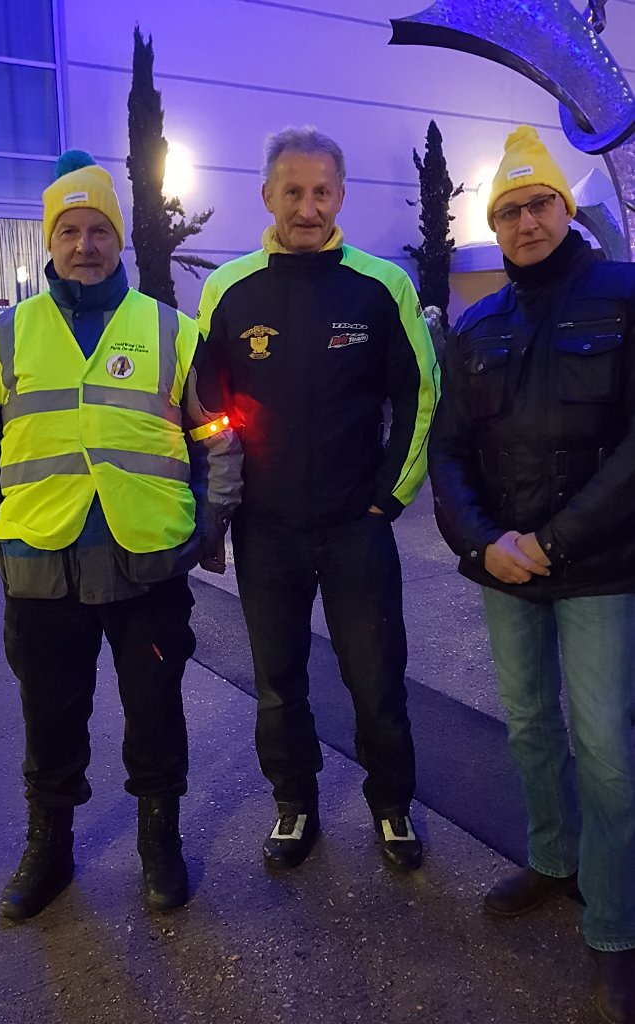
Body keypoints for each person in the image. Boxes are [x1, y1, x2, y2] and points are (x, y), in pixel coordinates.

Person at [0, 150, 242, 920]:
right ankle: (49, 849)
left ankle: (159, 841)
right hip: (39, 566)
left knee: (155, 710)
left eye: (99, 230)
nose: (85, 245)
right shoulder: (1, 338)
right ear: (50, 241)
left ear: (119, 239)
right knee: (50, 716)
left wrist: (206, 524)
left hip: (147, 564)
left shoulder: (172, 332)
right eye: (70, 231)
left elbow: (218, 436)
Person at [428, 125, 635, 1023]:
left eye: (538, 203)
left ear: (565, 207)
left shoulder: (624, 295)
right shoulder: (478, 326)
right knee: (528, 728)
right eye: (507, 211)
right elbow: (448, 453)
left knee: (607, 748)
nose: (525, 222)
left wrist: (556, 539)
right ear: (495, 225)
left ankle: (615, 925)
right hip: (506, 567)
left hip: (601, 567)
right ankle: (553, 860)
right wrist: (484, 545)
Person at [196, 126, 439, 872]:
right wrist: (220, 507)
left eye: (322, 192)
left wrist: (389, 498)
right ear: (267, 196)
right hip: (266, 532)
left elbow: (421, 394)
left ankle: (391, 804)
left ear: (340, 196)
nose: (308, 208)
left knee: (376, 678)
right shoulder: (228, 290)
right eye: (293, 192)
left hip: (356, 527)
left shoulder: (381, 286)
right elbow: (206, 406)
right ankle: (294, 802)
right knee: (279, 686)